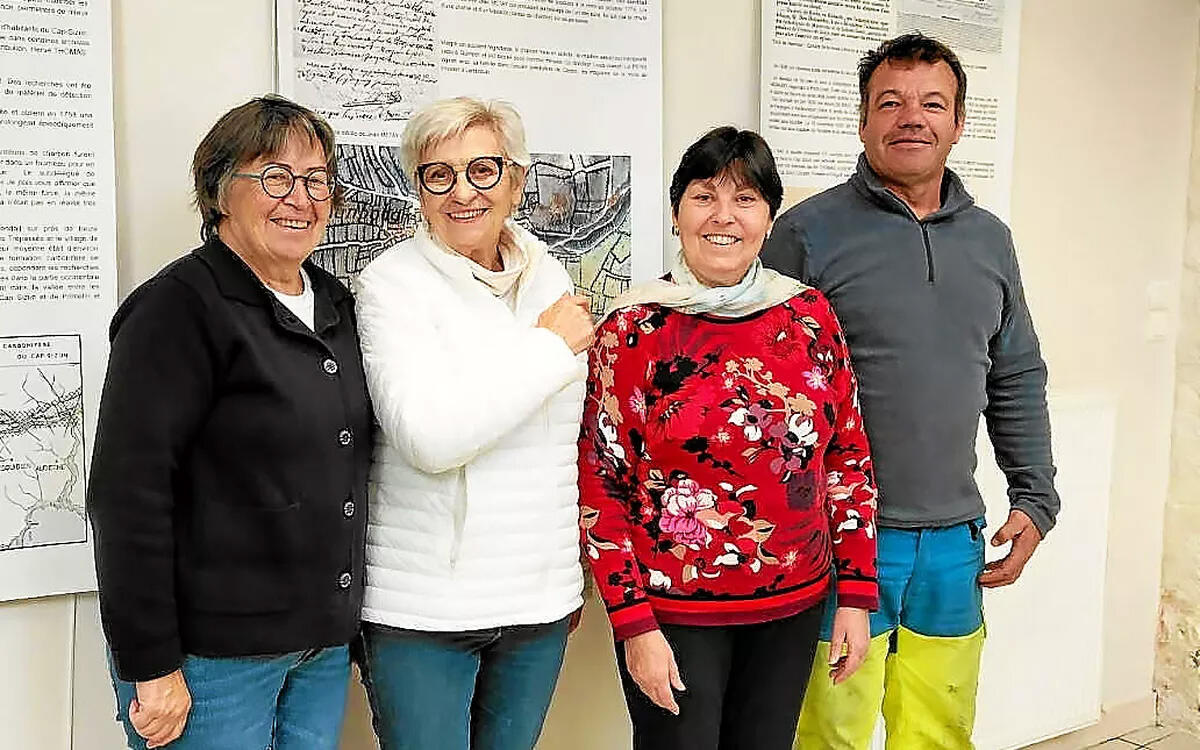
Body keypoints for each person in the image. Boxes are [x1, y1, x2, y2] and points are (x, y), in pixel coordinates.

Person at [761, 33, 1061, 749]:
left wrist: (1035, 496)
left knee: (938, 730)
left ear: (959, 124)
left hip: (954, 542)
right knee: (831, 733)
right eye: (890, 103)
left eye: (933, 103)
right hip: (839, 543)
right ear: (863, 121)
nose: (911, 118)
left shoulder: (990, 240)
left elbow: (1016, 374)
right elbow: (764, 395)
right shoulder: (806, 234)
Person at [579, 126, 879, 750]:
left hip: (793, 604)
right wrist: (633, 624)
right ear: (675, 214)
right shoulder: (634, 327)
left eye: (745, 199)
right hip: (675, 614)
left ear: (769, 218)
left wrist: (854, 594)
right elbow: (601, 481)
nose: (724, 217)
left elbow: (846, 456)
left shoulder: (808, 317)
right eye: (704, 196)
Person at [88, 95, 372, 749]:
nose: (299, 198)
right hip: (211, 659)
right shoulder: (177, 310)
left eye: (317, 180)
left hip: (320, 649)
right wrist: (152, 666)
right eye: (275, 176)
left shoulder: (335, 303)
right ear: (219, 191)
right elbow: (127, 497)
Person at [352, 97, 594, 750]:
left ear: (516, 180)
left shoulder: (549, 279)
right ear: (420, 191)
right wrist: (547, 349)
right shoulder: (389, 287)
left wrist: (564, 577)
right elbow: (431, 439)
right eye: (440, 175)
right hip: (426, 611)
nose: (463, 191)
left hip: (536, 604)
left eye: (483, 170)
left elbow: (559, 446)